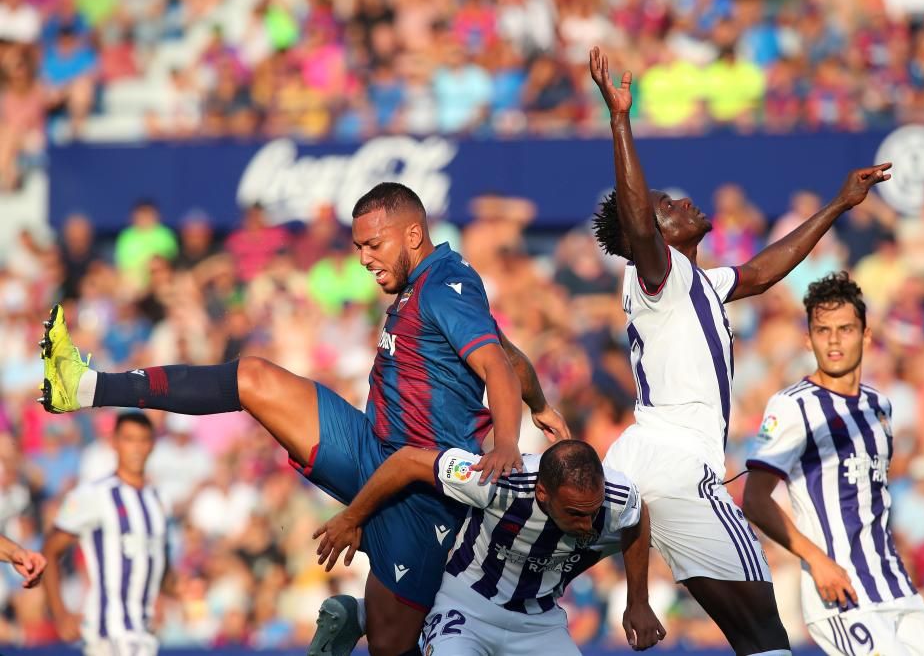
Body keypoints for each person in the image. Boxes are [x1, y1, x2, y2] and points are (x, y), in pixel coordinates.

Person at [40, 182, 569, 656]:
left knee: (391, 644)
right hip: (370, 446)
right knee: (254, 377)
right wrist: (540, 403)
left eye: (373, 245)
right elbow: (504, 350)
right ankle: (88, 386)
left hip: (421, 486)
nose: (363, 258)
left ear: (413, 234)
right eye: (358, 246)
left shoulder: (445, 285)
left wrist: (506, 439)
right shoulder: (425, 286)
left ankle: (361, 619)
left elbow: (495, 363)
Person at [587, 46, 891, 656]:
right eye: (668, 206)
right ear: (652, 227)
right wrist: (620, 118)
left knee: (529, 575)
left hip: (645, 461)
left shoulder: (698, 281)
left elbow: (759, 272)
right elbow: (640, 223)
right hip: (681, 462)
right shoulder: (658, 272)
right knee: (764, 635)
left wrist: (835, 205)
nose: (683, 204)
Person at [742, 273, 924, 655]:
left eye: (845, 329)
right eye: (823, 330)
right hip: (841, 593)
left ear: (866, 335)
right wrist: (817, 561)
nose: (834, 340)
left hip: (895, 586)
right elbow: (754, 499)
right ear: (808, 339)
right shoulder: (793, 407)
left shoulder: (880, 406)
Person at [313, 439, 665, 655]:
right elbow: (407, 461)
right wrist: (352, 517)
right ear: (542, 492)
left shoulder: (619, 498)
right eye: (575, 513)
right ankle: (370, 614)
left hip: (540, 623)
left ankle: (363, 615)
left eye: (593, 513)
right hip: (467, 607)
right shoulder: (498, 480)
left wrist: (639, 601)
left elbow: (636, 519)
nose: (588, 526)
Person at [41, 411, 170, 656]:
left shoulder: (158, 499)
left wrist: (178, 588)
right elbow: (51, 547)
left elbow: (161, 564)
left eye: (143, 440)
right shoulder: (94, 494)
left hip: (145, 633)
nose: (136, 448)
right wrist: (59, 613)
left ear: (152, 444)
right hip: (108, 634)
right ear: (114, 442)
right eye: (129, 439)